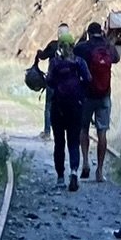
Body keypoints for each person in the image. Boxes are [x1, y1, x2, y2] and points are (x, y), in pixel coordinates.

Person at [44, 33, 92, 191]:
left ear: (60, 46)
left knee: (59, 142)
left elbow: (49, 81)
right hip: (76, 106)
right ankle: (73, 171)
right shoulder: (79, 62)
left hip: (58, 107)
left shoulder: (54, 62)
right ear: (73, 46)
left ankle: (59, 178)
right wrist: (81, 94)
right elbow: (88, 79)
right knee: (73, 141)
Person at [76, 20, 120, 182]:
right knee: (102, 132)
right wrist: (108, 41)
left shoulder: (85, 47)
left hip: (87, 95)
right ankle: (99, 171)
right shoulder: (107, 47)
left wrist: (81, 38)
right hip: (104, 95)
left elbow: (74, 51)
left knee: (83, 129)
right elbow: (116, 59)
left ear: (88, 33)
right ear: (101, 32)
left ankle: (86, 163)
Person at [33, 24, 73, 142]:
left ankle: (47, 132)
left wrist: (39, 52)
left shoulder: (53, 45)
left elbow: (43, 56)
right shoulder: (72, 47)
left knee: (49, 107)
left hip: (53, 82)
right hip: (67, 83)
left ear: (59, 34)